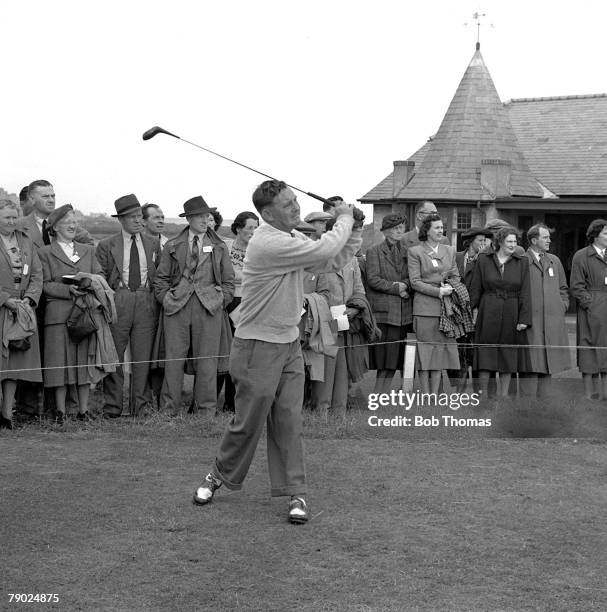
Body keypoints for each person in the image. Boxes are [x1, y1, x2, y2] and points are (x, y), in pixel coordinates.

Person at [192, 179, 362, 524]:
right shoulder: (267, 242)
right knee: (248, 422)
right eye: (287, 205)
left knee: (289, 419)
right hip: (256, 344)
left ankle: (295, 492)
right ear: (267, 214)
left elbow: (330, 262)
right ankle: (217, 475)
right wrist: (343, 218)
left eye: (295, 200)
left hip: (288, 342)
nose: (296, 208)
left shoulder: (291, 238)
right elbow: (323, 250)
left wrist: (354, 228)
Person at [154, 196, 234, 413]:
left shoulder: (219, 246)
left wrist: (220, 300)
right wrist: (166, 299)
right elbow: (160, 279)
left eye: (207, 215)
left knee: (207, 361)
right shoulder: (172, 245)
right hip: (176, 307)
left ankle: (205, 411)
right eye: (199, 216)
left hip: (209, 308)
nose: (205, 219)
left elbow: (229, 281)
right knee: (173, 360)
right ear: (188, 218)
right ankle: (169, 409)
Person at [38, 205, 113, 421]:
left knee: (83, 363)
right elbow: (44, 284)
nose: (72, 225)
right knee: (59, 365)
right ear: (55, 227)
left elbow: (99, 273)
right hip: (58, 315)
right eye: (67, 222)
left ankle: (83, 410)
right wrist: (66, 290)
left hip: (85, 315)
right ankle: (60, 412)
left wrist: (92, 281)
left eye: (74, 222)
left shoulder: (87, 250)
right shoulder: (44, 253)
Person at [96, 194, 160, 417]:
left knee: (143, 357)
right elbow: (100, 275)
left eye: (139, 216)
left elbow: (159, 274)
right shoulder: (106, 245)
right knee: (114, 355)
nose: (137, 221)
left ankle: (140, 407)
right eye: (132, 217)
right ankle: (112, 407)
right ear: (120, 219)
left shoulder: (153, 243)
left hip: (145, 299)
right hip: (118, 299)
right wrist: (110, 298)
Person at [309, 216, 366, 412]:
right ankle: (320, 414)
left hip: (345, 320)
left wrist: (354, 309)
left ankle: (338, 414)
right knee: (325, 368)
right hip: (323, 322)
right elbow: (312, 291)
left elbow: (359, 290)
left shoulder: (352, 260)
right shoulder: (319, 255)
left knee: (342, 368)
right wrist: (334, 315)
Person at [469, 226, 531, 397]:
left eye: (515, 241)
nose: (513, 245)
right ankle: (482, 395)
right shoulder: (484, 259)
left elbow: (526, 292)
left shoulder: (522, 262)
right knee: (485, 352)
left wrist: (524, 318)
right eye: (509, 241)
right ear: (500, 242)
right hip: (488, 308)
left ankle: (503, 397)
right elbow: (476, 288)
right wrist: (473, 311)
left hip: (512, 311)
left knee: (508, 353)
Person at [0, 199, 43, 429]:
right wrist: (5, 300)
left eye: (14, 216)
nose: (12, 221)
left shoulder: (25, 241)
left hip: (22, 310)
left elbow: (37, 274)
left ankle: (7, 415)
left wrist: (29, 299)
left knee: (14, 364)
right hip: (2, 308)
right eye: (6, 217)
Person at [408, 213, 461, 394]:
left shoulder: (449, 250)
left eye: (441, 227)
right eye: (437, 228)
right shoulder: (415, 251)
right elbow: (414, 282)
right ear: (427, 231)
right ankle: (424, 393)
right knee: (425, 351)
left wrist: (448, 285)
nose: (441, 231)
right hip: (424, 309)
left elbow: (455, 275)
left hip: (446, 309)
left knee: (440, 351)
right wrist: (437, 291)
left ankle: (435, 396)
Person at [519, 224, 571, 397]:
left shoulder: (554, 261)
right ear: (534, 240)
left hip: (552, 322)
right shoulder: (522, 260)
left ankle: (544, 410)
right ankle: (526, 411)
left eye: (549, 237)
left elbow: (563, 288)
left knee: (548, 365)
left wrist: (562, 305)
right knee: (531, 366)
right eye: (545, 237)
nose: (549, 240)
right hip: (531, 322)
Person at [365, 213, 412, 394]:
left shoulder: (407, 251)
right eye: (395, 228)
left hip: (403, 313)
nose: (400, 231)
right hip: (385, 313)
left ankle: (381, 396)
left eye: (402, 227)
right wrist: (396, 287)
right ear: (385, 231)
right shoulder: (374, 251)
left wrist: (405, 285)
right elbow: (373, 280)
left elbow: (412, 276)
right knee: (384, 358)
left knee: (395, 358)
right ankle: (377, 395)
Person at [217, 210, 259, 411]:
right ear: (238, 228)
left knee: (240, 356)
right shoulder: (225, 247)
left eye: (256, 228)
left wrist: (236, 276)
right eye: (249, 227)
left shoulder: (259, 251)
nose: (253, 232)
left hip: (248, 304)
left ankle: (233, 403)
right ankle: (209, 401)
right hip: (225, 301)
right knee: (221, 352)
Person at [570, 219, 607, 399]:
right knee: (588, 349)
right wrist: (590, 304)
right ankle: (588, 394)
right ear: (595, 236)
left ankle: (605, 394)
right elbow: (576, 286)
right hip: (590, 311)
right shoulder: (581, 256)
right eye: (606, 233)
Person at [452, 226, 493, 390]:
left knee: (476, 353)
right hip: (459, 310)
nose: (484, 243)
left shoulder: (487, 259)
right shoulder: (457, 257)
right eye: (480, 240)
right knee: (460, 351)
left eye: (485, 240)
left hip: (478, 310)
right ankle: (459, 391)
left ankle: (479, 391)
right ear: (470, 242)